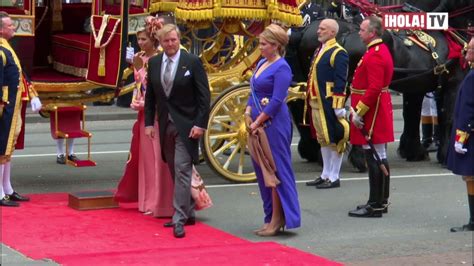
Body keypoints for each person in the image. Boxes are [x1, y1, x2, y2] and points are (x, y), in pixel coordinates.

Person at [144, 24, 210, 238]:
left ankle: (178, 218)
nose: (170, 44)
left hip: (188, 126)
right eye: (166, 41)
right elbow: (151, 97)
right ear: (161, 43)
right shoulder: (154, 63)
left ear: (179, 39)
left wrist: (200, 124)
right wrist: (148, 124)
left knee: (182, 169)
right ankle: (189, 212)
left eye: (173, 40)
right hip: (165, 124)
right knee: (174, 168)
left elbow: (204, 97)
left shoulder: (191, 61)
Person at [115, 17, 174, 217]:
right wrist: (137, 102)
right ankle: (146, 200)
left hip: (157, 112)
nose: (140, 43)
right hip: (143, 111)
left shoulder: (160, 59)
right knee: (146, 160)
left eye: (144, 39)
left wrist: (147, 104)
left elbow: (163, 88)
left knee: (159, 159)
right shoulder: (139, 57)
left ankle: (160, 202)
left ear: (153, 40)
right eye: (138, 39)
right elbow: (139, 85)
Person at [245, 24, 301, 236]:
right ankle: (269, 216)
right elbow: (254, 90)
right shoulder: (261, 63)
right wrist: (247, 112)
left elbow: (277, 100)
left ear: (276, 46)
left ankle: (278, 219)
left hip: (274, 124)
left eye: (264, 44)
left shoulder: (282, 68)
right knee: (262, 172)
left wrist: (258, 120)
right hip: (257, 122)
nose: (260, 47)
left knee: (274, 171)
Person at [347, 16, 394, 218]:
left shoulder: (375, 54)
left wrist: (359, 111)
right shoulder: (376, 50)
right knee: (379, 155)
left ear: (372, 32)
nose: (359, 32)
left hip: (372, 111)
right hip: (376, 108)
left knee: (373, 155)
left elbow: (374, 87)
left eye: (363, 29)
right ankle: (380, 201)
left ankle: (375, 204)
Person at [1, 11, 42, 207]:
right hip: (5, 106)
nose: (13, 28)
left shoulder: (7, 48)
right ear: (1, 30)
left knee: (8, 148)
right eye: (10, 26)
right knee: (1, 148)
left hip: (13, 105)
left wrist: (33, 95)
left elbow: (20, 74)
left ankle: (7, 188)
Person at [305, 18, 349, 189]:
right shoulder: (320, 50)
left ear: (332, 32)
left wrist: (338, 105)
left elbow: (341, 80)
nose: (318, 31)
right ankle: (325, 174)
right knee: (323, 138)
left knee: (334, 138)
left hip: (329, 101)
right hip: (316, 101)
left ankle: (334, 176)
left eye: (322, 29)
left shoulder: (339, 52)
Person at [447, 37, 474, 232]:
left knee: (471, 176)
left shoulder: (472, 76)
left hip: (470, 133)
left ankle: (473, 221)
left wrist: (462, 136)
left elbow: (468, 108)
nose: (466, 52)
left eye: (470, 49)